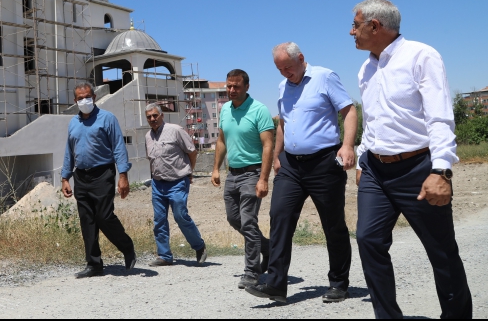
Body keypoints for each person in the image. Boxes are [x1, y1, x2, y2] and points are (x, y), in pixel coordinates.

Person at [350, 0, 472, 319]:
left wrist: (441, 170)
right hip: (376, 170)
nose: (351, 32)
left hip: (418, 168)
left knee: (442, 251)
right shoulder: (366, 68)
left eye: (356, 25)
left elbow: (440, 117)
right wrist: (364, 157)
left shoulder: (421, 56)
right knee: (368, 240)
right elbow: (373, 120)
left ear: (375, 26)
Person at [245, 42, 357, 305]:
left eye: (288, 67)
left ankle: (339, 283)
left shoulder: (324, 77)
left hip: (324, 164)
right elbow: (283, 122)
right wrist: (276, 156)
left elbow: (349, 111)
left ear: (301, 59)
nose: (285, 73)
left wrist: (348, 145)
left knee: (333, 224)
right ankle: (276, 285)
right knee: (279, 216)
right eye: (279, 69)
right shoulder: (283, 86)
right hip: (291, 166)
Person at [61, 81, 137, 278]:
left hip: (103, 174)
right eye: (80, 98)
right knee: (87, 220)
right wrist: (65, 177)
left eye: (88, 97)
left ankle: (127, 247)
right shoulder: (73, 123)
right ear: (75, 100)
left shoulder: (107, 118)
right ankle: (94, 264)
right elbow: (69, 152)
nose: (84, 100)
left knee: (104, 216)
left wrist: (123, 176)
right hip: (81, 176)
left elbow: (119, 147)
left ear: (94, 97)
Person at [211, 69, 274, 289]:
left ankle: (251, 271)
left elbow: (268, 144)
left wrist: (264, 178)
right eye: (229, 86)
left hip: (253, 172)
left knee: (248, 221)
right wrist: (216, 169)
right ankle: (266, 246)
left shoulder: (259, 110)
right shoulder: (225, 109)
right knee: (233, 218)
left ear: (247, 86)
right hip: (233, 174)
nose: (231, 90)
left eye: (236, 86)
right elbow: (221, 141)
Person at [144, 103, 207, 266]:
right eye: (149, 117)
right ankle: (164, 255)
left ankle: (199, 246)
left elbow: (192, 152)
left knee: (180, 215)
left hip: (178, 181)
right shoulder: (147, 137)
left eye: (155, 115)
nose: (152, 119)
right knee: (159, 220)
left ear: (161, 115)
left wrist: (189, 172)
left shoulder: (175, 130)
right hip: (158, 184)